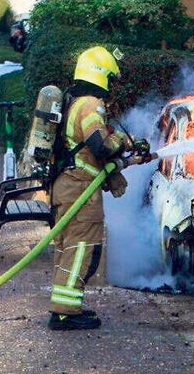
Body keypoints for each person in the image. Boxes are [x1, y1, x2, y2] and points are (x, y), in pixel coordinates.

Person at [46, 46, 152, 331]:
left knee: (68, 248)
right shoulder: (91, 104)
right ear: (101, 75)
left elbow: (92, 144)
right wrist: (120, 145)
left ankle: (64, 307)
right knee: (81, 249)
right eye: (111, 78)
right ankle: (66, 312)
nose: (113, 86)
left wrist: (126, 149)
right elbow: (99, 146)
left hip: (67, 187)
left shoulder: (76, 102)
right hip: (79, 191)